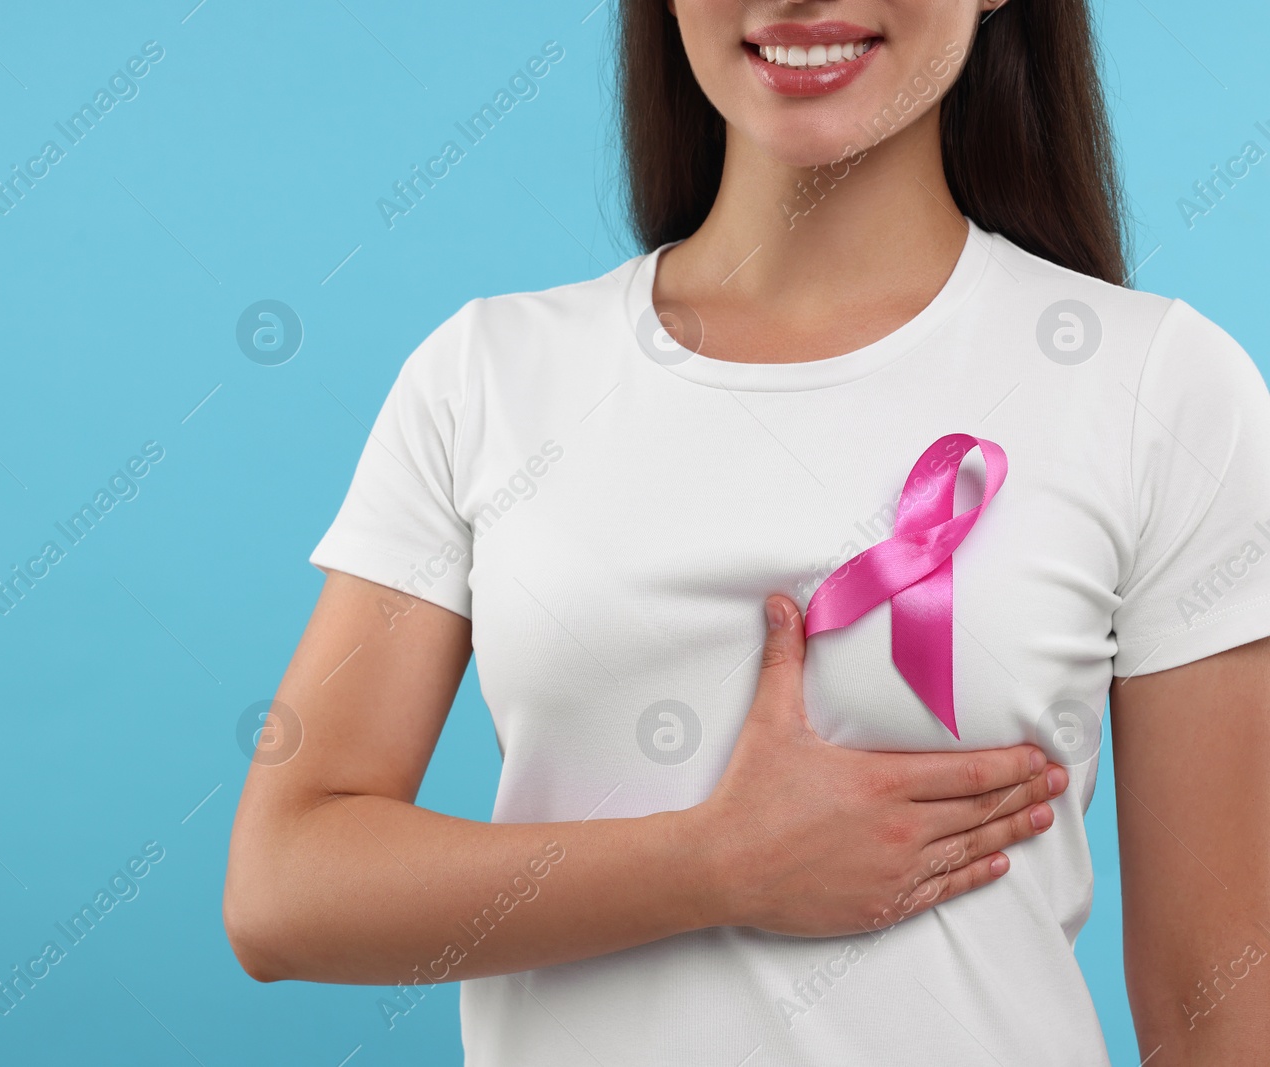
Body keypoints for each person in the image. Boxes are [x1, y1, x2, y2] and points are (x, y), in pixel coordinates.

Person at [225, 1, 1270, 1063]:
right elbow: (283, 883)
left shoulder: (1157, 387)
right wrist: (712, 864)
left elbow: (1219, 1003)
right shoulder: (486, 376)